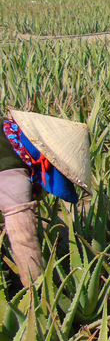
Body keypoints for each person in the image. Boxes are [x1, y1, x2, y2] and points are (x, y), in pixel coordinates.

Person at [0, 110, 91, 286]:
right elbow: (23, 238)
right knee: (23, 237)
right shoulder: (13, 177)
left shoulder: (8, 128)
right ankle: (37, 291)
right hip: (9, 177)